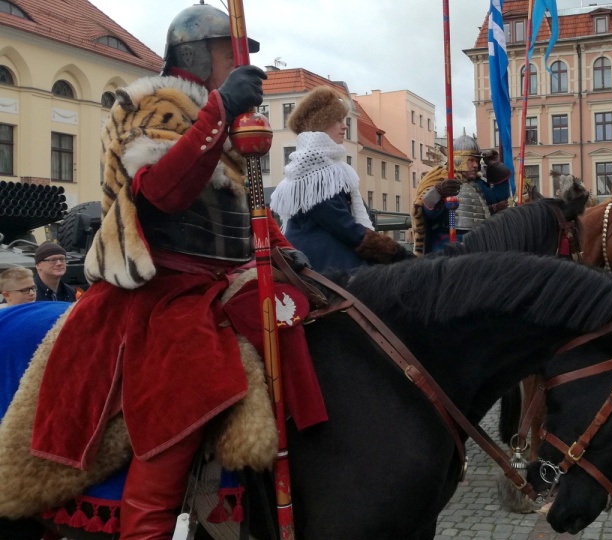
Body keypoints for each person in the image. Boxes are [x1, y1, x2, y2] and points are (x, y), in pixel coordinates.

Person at [26, 5, 318, 539]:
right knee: (185, 388)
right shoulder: (153, 104)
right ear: (196, 52)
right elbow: (162, 193)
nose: (239, 60)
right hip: (162, 286)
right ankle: (148, 524)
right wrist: (221, 110)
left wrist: (286, 250)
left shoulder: (221, 119)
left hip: (227, 280)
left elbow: (249, 206)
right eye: (230, 49)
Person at [269, 86, 409, 272]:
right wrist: (394, 253)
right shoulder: (317, 173)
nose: (345, 126)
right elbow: (342, 225)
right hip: (325, 264)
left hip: (321, 257)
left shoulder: (317, 169)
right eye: (337, 120)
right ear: (320, 123)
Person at [412, 133, 511, 255]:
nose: (476, 165)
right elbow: (429, 213)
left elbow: (499, 195)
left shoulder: (477, 184)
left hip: (478, 243)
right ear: (459, 160)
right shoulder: (442, 180)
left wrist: (494, 165)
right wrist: (438, 192)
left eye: (477, 161)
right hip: (447, 245)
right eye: (471, 160)